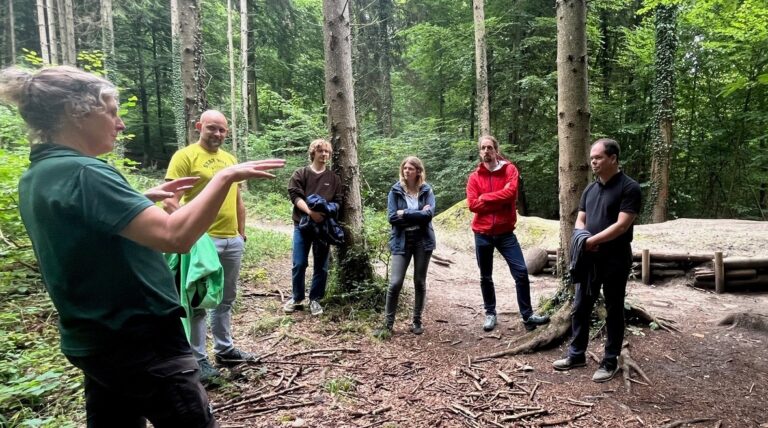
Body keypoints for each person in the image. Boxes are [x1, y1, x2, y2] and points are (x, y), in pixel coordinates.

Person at [1, 65, 284, 426]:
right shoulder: (86, 173)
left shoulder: (41, 173)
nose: (120, 124)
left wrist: (138, 201)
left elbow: (87, 232)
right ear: (76, 113)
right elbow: (174, 236)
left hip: (97, 338)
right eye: (112, 112)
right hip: (141, 341)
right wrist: (225, 177)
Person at [164, 110, 257, 384]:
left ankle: (224, 350)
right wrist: (192, 234)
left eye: (222, 130)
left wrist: (241, 232)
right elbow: (170, 201)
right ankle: (198, 359)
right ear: (199, 126)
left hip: (231, 239)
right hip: (202, 241)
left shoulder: (229, 160)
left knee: (225, 298)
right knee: (198, 300)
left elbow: (237, 198)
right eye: (212, 128)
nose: (217, 134)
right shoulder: (185, 157)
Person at [552, 138, 641, 383]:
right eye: (592, 158)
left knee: (613, 310)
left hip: (615, 259)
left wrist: (592, 240)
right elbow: (580, 219)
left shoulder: (629, 188)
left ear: (613, 158)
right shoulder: (590, 189)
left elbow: (622, 225)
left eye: (598, 157)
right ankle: (576, 355)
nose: (593, 162)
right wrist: (583, 238)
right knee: (581, 306)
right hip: (589, 259)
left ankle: (610, 361)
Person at [466, 135, 550, 332]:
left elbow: (511, 194)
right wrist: (499, 200)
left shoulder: (510, 170)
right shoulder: (474, 177)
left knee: (521, 272)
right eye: (483, 148)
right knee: (485, 276)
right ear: (480, 152)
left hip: (505, 233)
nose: (486, 151)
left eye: (490, 147)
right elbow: (473, 205)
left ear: (496, 150)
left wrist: (485, 197)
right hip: (482, 233)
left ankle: (527, 316)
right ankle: (490, 313)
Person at [376, 157, 436, 338]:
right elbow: (392, 217)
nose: (407, 171)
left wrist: (406, 213)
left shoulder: (426, 190)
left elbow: (428, 215)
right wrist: (418, 214)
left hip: (423, 240)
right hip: (401, 239)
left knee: (419, 281)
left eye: (411, 168)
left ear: (418, 171)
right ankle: (388, 324)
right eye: (405, 168)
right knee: (395, 283)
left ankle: (417, 321)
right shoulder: (395, 191)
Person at [283, 139, 342, 316]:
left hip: (323, 228)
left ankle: (315, 299)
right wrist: (310, 212)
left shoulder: (333, 178)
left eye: (327, 152)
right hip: (302, 225)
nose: (324, 154)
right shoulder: (301, 173)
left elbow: (338, 201)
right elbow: (295, 196)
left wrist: (327, 210)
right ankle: (297, 298)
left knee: (321, 266)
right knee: (299, 263)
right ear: (313, 153)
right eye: (320, 151)